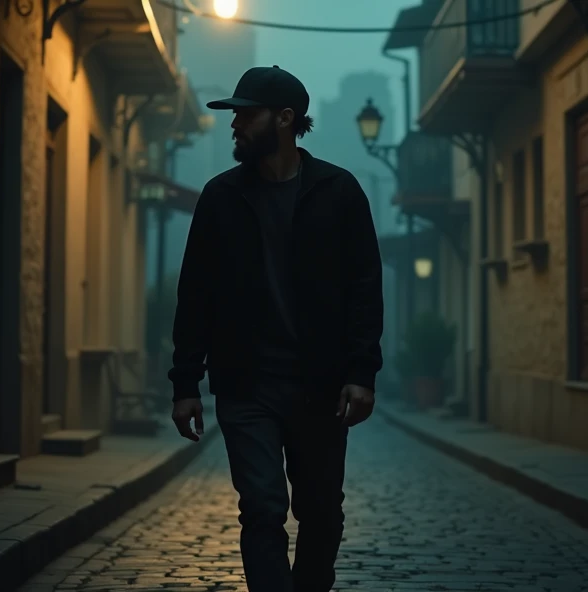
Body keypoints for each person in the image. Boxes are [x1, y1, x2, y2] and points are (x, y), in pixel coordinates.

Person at [167, 65, 384, 592]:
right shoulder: (220, 198)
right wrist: (185, 383)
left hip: (321, 386)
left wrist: (361, 371)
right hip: (246, 386)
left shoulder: (339, 191)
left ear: (285, 119)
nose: (235, 124)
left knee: (320, 513)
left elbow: (364, 288)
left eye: (247, 114)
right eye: (234, 114)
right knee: (262, 508)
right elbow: (195, 294)